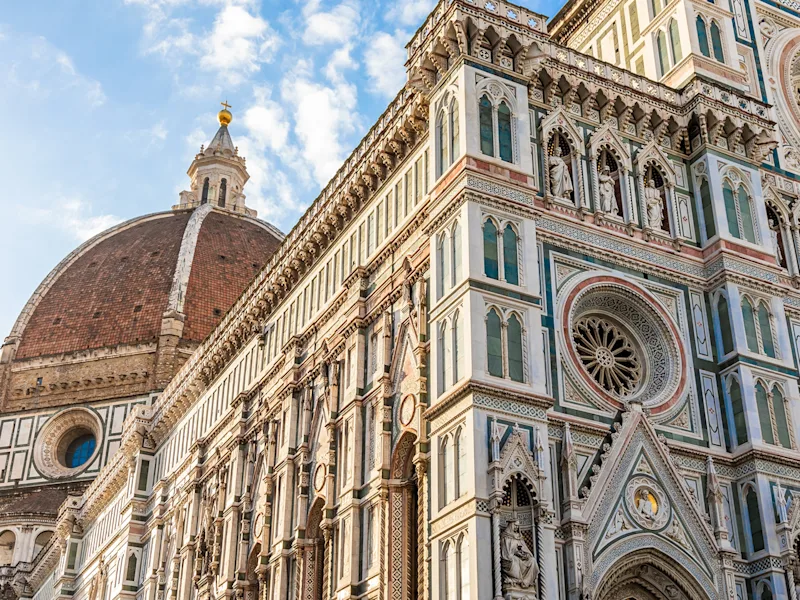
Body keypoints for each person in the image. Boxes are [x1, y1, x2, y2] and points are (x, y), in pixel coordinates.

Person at [501, 520, 538, 588]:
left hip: (521, 558)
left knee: (532, 560)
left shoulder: (519, 536)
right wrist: (515, 552)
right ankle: (517, 580)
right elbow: (505, 551)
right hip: (510, 557)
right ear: (511, 525)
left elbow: (525, 549)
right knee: (514, 559)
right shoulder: (505, 536)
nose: (516, 527)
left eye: (518, 526)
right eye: (515, 525)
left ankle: (526, 582)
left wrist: (526, 555)